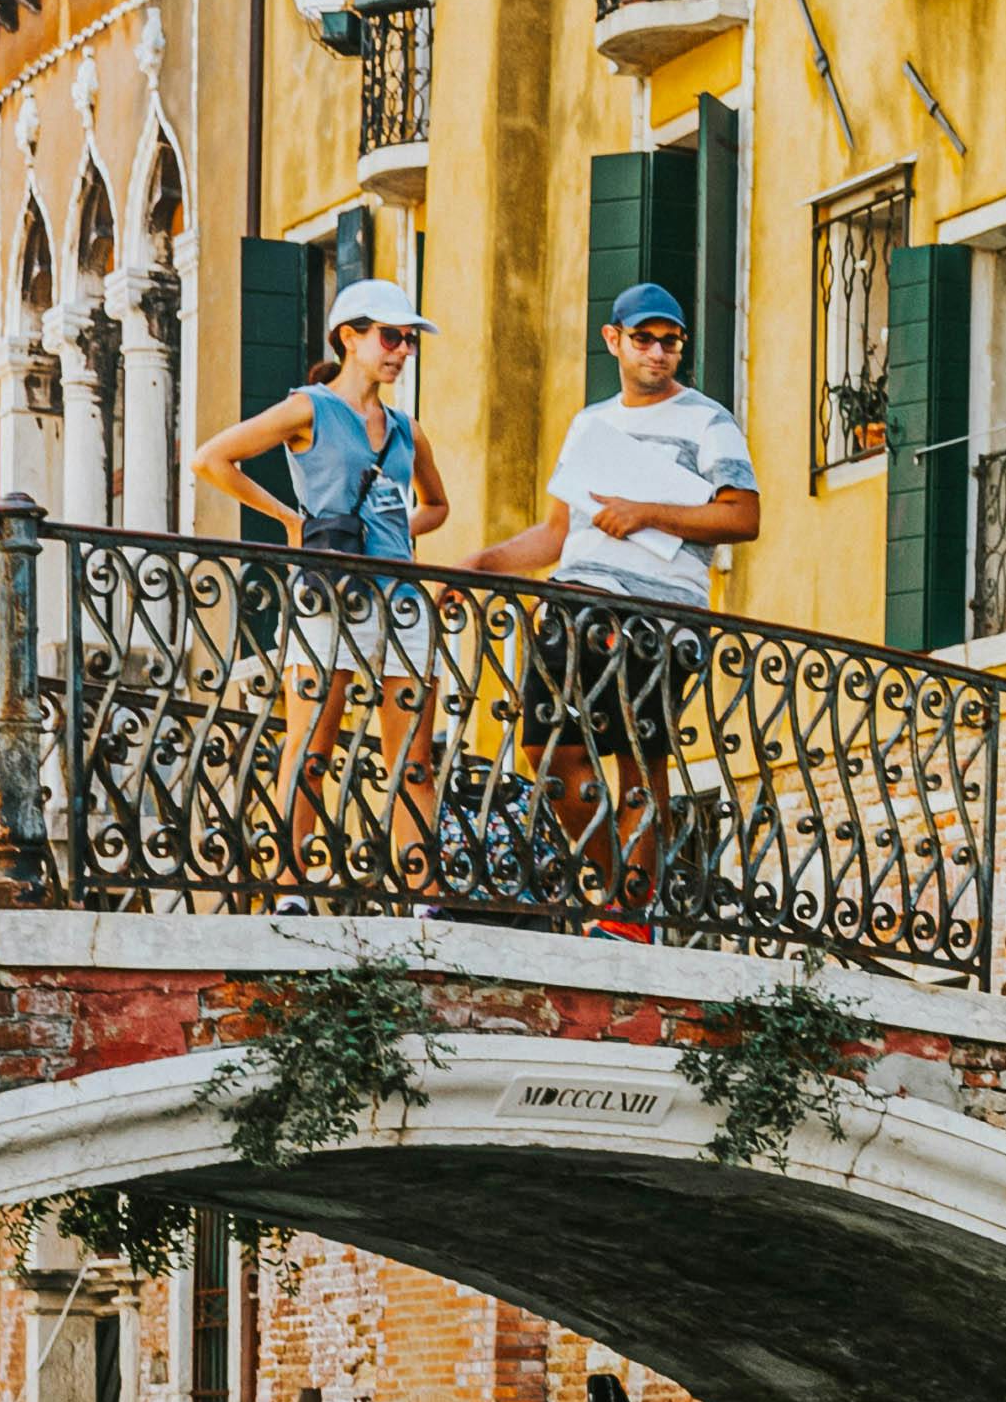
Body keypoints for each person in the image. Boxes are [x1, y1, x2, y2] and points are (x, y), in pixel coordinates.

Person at [475, 282, 761, 922]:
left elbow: (743, 517)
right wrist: (476, 563)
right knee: (550, 750)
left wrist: (645, 514)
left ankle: (633, 913)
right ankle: (616, 890)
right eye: (644, 339)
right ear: (615, 341)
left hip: (656, 619)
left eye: (670, 342)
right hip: (571, 608)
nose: (658, 353)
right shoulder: (590, 424)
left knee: (640, 755)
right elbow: (553, 533)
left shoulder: (708, 421)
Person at [183, 276, 450, 882]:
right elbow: (210, 458)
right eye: (390, 337)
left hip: (401, 603)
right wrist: (288, 520)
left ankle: (423, 890)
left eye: (408, 340)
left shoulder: (408, 430)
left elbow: (437, 506)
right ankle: (290, 883)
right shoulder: (310, 407)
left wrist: (392, 529)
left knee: (412, 761)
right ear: (349, 338)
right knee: (310, 750)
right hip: (331, 597)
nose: (402, 350)